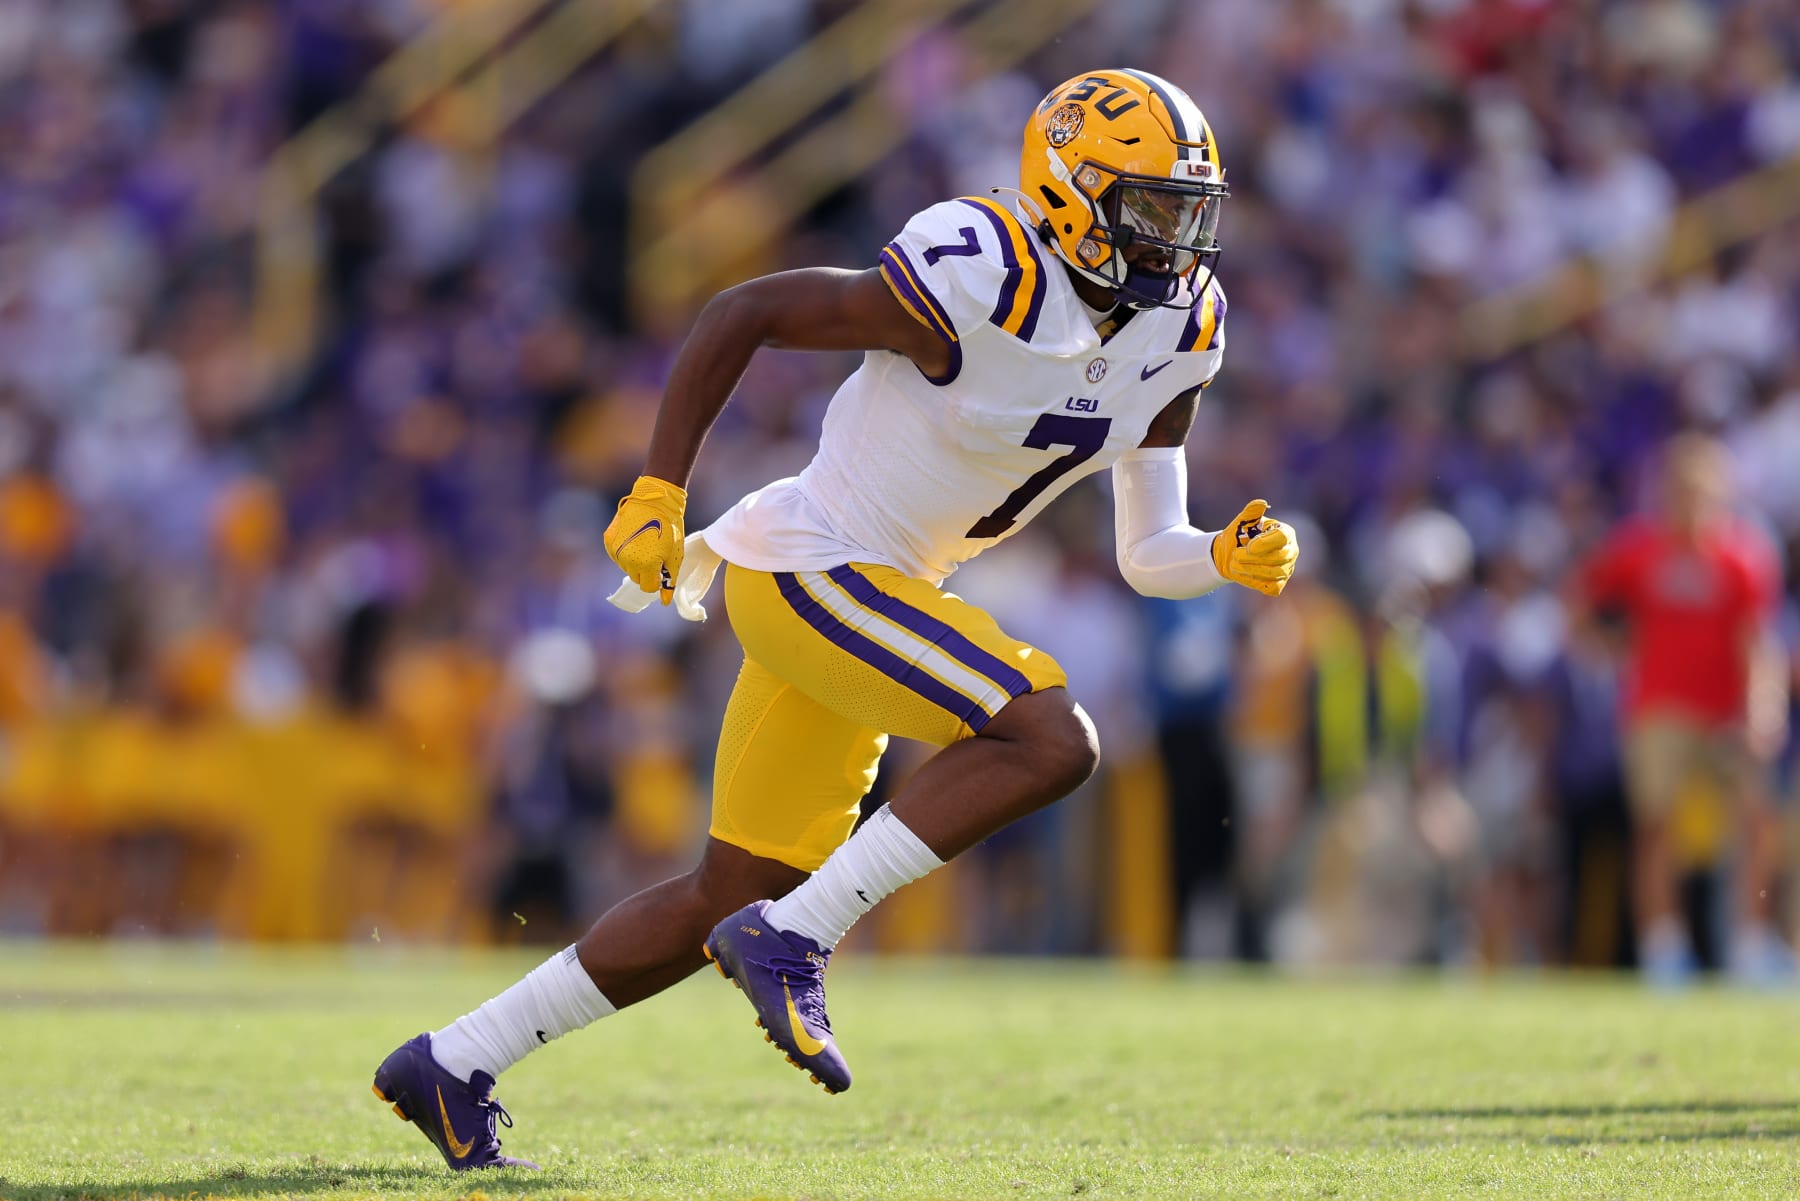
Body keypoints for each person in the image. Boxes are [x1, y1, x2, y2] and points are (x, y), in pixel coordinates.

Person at [370, 69, 1298, 1170]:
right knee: (1049, 737)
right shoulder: (980, 271)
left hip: (877, 591)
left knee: (733, 885)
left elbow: (1148, 554)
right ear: (1069, 192)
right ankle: (798, 937)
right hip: (818, 566)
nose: (1175, 240)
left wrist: (1221, 560)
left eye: (1189, 213)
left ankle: (456, 1060)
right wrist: (661, 486)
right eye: (1150, 209)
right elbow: (746, 310)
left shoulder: (1184, 328)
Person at [1577, 433, 1789, 986]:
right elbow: (1583, 602)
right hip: (1659, 708)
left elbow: (1756, 640)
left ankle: (1749, 942)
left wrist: (1762, 706)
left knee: (1756, 821)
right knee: (1656, 827)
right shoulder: (1638, 549)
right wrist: (1612, 653)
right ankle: (1662, 948)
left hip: (1724, 708)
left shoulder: (1743, 556)